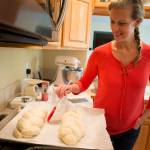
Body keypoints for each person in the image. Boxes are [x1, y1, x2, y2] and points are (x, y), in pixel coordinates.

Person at [56, 0, 150, 149]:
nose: (115, 28)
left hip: (130, 130)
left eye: (122, 23)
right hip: (99, 125)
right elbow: (83, 83)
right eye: (112, 21)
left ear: (136, 22)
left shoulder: (148, 54)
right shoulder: (99, 53)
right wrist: (70, 88)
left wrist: (143, 118)